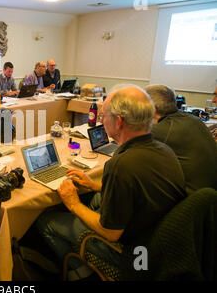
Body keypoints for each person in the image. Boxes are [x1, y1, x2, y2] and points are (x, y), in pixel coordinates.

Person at [36, 86, 186, 280]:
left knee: (46, 221)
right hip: (159, 242)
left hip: (132, 253)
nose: (100, 120)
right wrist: (95, 185)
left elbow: (111, 232)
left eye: (103, 115)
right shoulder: (164, 150)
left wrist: (73, 203)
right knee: (96, 197)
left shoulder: (122, 165)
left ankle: (81, 274)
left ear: (119, 121)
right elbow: (140, 190)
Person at [145, 84, 217, 194]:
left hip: (192, 202)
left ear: (150, 107)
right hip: (208, 195)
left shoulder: (161, 130)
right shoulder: (194, 120)